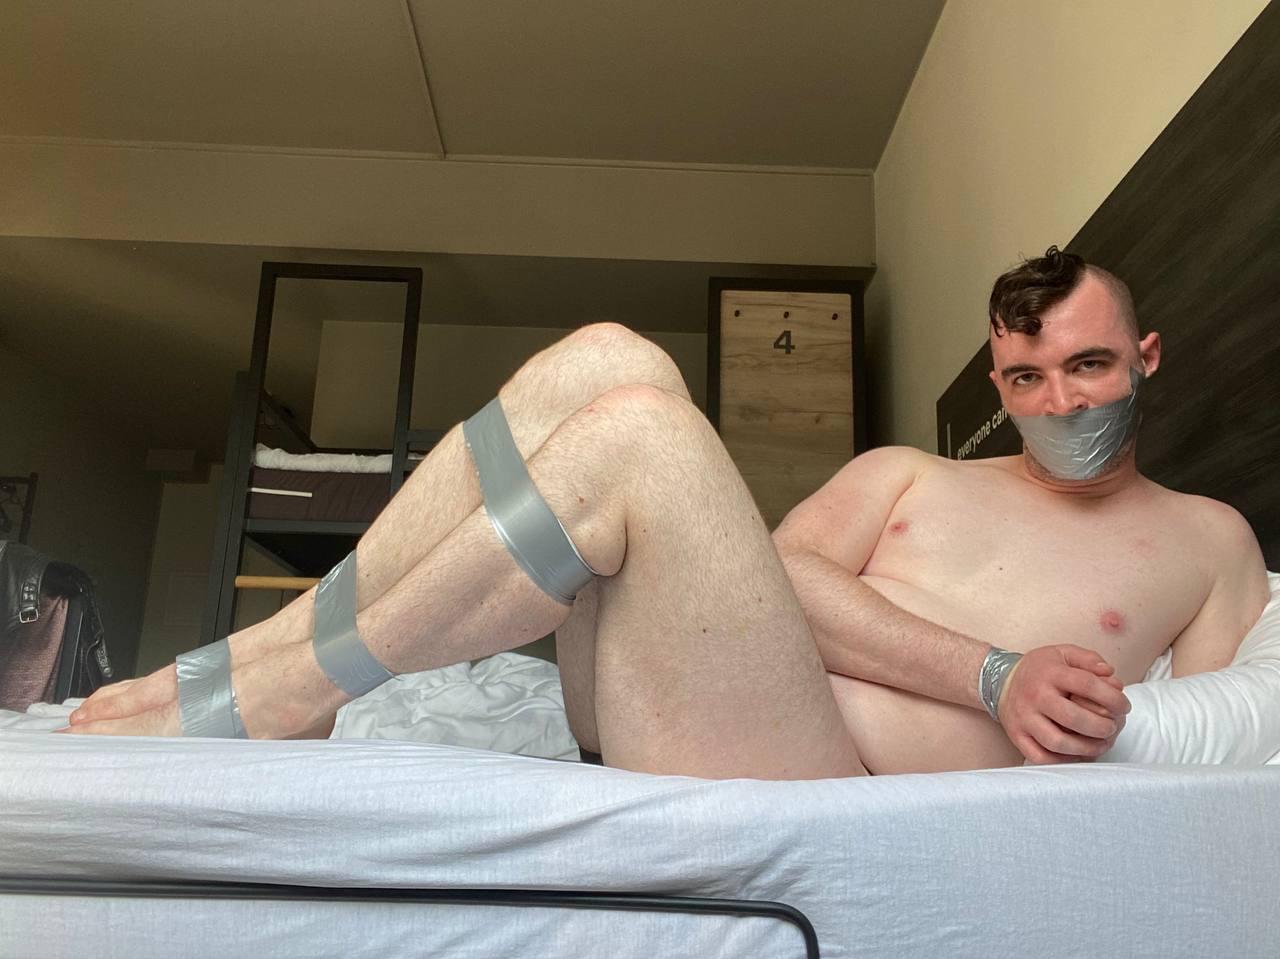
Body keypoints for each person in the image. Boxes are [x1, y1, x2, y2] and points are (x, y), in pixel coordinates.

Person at [64, 247, 1270, 779]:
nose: (1058, 403)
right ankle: (277, 659)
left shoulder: (1209, 540)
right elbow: (773, 584)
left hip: (823, 770)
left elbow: (1211, 762)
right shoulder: (911, 472)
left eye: (1088, 366)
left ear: (1144, 356)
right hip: (697, 690)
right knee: (609, 356)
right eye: (1024, 377)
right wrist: (988, 671)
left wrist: (1052, 705)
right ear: (996, 382)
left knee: (640, 435)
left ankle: (297, 683)